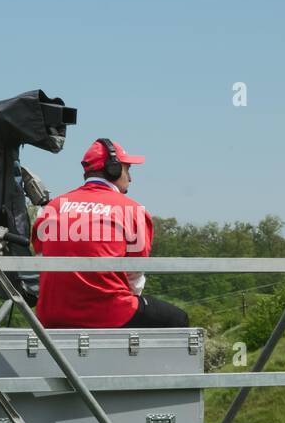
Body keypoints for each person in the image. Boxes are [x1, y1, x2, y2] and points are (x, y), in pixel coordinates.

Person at [32, 138, 188, 331]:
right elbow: (135, 279)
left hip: (50, 316)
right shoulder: (133, 210)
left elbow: (41, 264)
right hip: (110, 314)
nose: (130, 178)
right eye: (127, 169)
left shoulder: (51, 208)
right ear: (112, 168)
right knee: (178, 319)